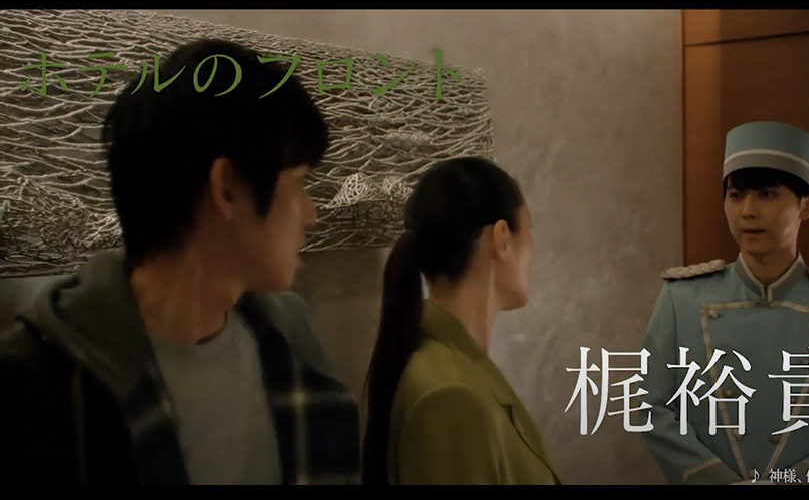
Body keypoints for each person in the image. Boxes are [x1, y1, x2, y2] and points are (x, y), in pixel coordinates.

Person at [0, 39, 360, 485]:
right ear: (226, 188)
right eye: (300, 182)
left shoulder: (288, 342)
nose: (311, 215)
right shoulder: (41, 387)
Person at [639, 121, 809, 485]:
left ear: (807, 205)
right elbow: (652, 407)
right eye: (736, 195)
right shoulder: (681, 299)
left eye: (767, 194)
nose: (747, 210)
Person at [360, 156, 561, 485]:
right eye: (529, 231)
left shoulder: (454, 369)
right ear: (501, 238)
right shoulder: (451, 396)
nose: (533, 248)